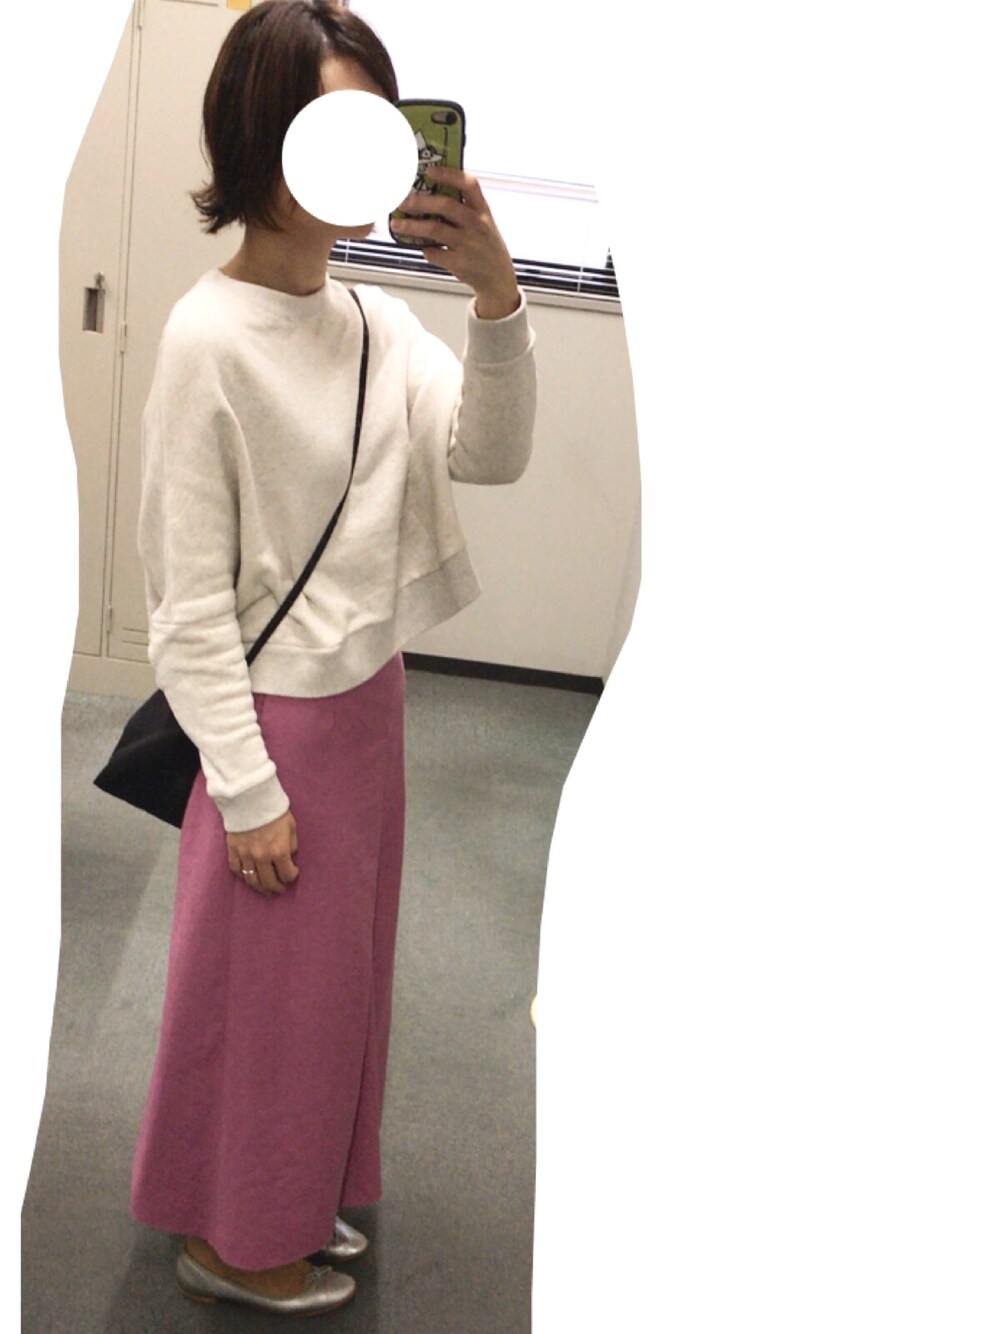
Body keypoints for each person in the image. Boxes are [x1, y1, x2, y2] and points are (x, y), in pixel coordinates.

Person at [128, 0, 535, 1316]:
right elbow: (187, 603)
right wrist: (246, 788)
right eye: (329, 128)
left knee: (333, 992)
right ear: (262, 139)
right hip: (272, 726)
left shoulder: (374, 325)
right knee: (267, 1004)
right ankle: (235, 1242)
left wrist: (495, 296)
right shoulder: (207, 338)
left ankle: (295, 1197)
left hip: (367, 707)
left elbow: (489, 455)